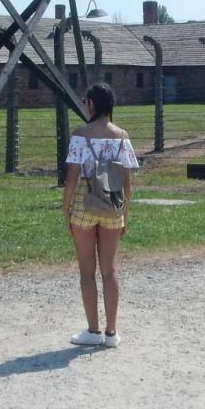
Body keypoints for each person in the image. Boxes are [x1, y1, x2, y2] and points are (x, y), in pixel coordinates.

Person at [62, 83, 139, 349]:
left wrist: (66, 209)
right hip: (113, 204)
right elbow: (127, 181)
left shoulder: (80, 134)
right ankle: (111, 332)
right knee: (110, 270)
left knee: (87, 271)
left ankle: (93, 330)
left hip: (84, 202)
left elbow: (71, 177)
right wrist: (125, 214)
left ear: (92, 103)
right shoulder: (122, 136)